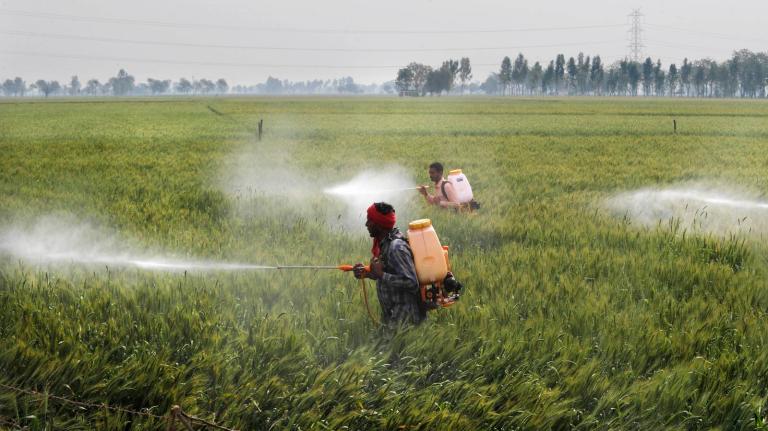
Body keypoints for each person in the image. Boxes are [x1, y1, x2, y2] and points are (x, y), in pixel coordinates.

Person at [353, 202, 425, 326]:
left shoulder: (396, 247)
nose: (366, 224)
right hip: (393, 316)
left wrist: (380, 274)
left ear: (379, 225)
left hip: (405, 319)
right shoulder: (384, 244)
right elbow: (390, 272)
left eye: (369, 220)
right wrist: (368, 274)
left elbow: (412, 282)